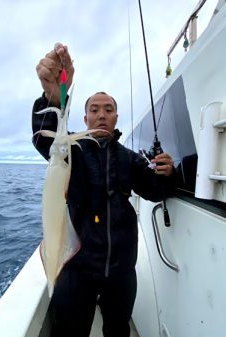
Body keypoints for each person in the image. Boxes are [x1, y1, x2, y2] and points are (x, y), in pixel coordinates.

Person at [32, 43, 176, 337]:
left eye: (108, 109)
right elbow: (45, 140)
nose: (101, 114)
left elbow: (154, 190)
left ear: (116, 118)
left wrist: (166, 174)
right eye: (94, 110)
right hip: (77, 266)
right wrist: (55, 95)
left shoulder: (130, 159)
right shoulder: (72, 149)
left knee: (117, 329)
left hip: (121, 268)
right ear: (84, 119)